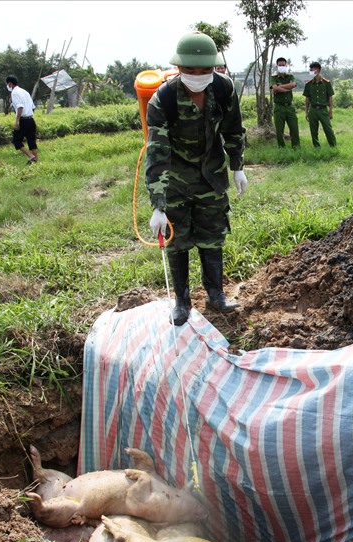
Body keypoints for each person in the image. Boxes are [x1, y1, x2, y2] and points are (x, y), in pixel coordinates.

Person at [145, 32, 248, 326]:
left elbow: (233, 129)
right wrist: (158, 205)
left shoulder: (224, 89)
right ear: (179, 68)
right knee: (177, 241)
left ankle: (216, 295)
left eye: (206, 70)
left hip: (211, 175)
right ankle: (182, 301)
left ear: (215, 67)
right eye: (191, 70)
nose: (199, 76)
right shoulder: (163, 99)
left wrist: (237, 165)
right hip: (176, 178)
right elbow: (157, 153)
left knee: (212, 234)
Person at [6, 75, 38, 165]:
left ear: (10, 84)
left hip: (23, 120)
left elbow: (20, 107)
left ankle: (31, 156)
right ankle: (36, 162)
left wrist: (17, 121)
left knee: (16, 140)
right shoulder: (25, 92)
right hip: (31, 119)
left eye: (7, 84)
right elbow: (33, 107)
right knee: (32, 141)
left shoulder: (15, 93)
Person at [302, 61, 336, 148]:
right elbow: (307, 99)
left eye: (312, 69)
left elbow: (330, 97)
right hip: (313, 110)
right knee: (313, 130)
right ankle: (316, 147)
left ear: (318, 70)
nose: (310, 71)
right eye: (310, 69)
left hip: (323, 110)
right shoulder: (308, 84)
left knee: (328, 129)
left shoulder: (326, 83)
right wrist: (306, 111)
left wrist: (331, 111)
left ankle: (333, 146)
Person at [270, 57, 300, 149]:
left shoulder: (290, 76)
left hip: (290, 107)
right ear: (277, 66)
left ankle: (296, 147)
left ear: (286, 65)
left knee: (294, 129)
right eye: (280, 65)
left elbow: (294, 84)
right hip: (279, 107)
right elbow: (274, 88)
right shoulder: (273, 77)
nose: (282, 66)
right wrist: (288, 88)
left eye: (283, 65)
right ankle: (281, 148)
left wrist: (281, 87)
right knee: (279, 130)